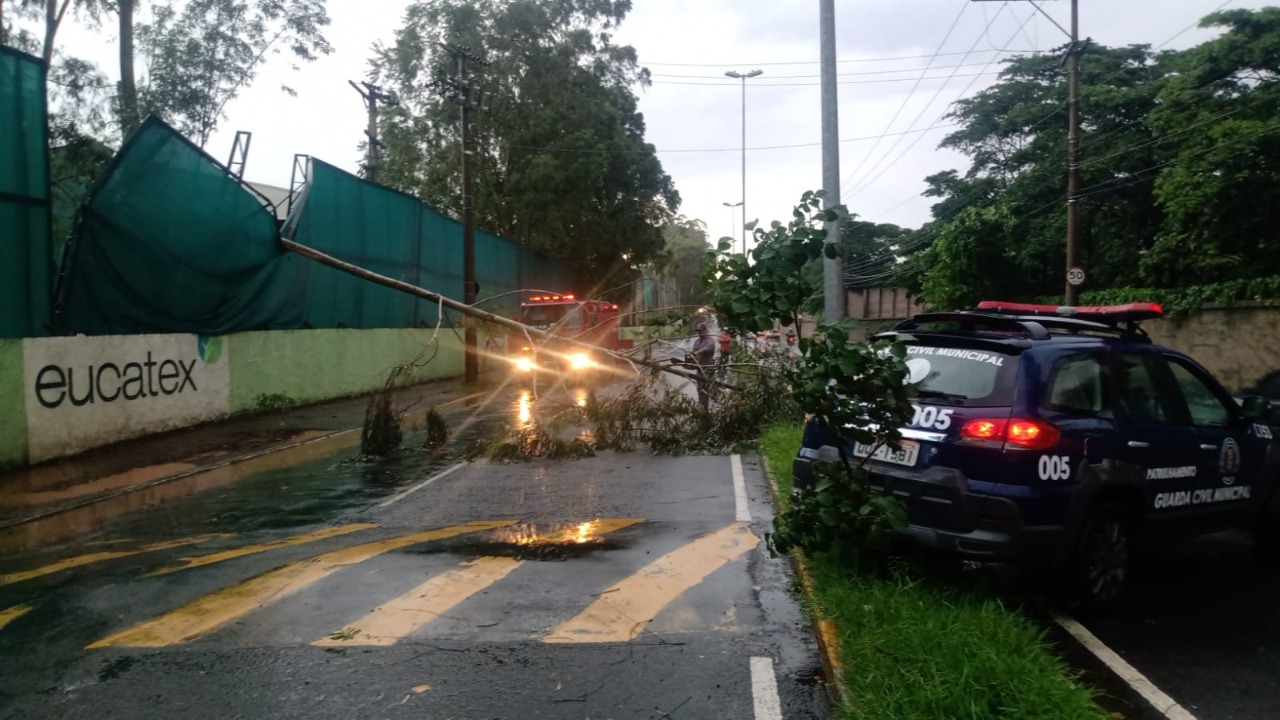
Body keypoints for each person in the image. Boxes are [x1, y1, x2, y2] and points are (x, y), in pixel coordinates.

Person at [691, 322, 717, 410]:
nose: (700, 333)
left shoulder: (710, 340)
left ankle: (708, 406)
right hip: (699, 367)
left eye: (701, 331)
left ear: (705, 330)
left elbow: (709, 348)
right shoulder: (697, 342)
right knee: (700, 388)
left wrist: (699, 351)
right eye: (698, 331)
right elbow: (693, 352)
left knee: (707, 387)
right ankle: (702, 405)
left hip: (708, 368)